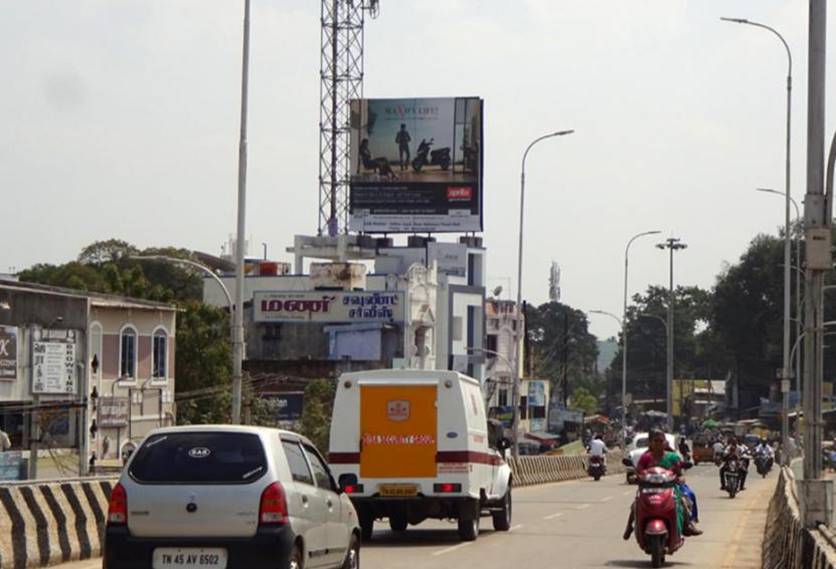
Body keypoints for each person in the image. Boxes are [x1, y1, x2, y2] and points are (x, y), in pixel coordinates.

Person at [623, 429, 702, 540]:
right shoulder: (646, 457)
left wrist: (680, 478)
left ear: (665, 442)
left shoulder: (672, 457)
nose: (658, 443)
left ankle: (688, 525)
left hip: (669, 488)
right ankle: (629, 528)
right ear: (651, 443)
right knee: (636, 504)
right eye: (656, 441)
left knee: (683, 501)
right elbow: (639, 471)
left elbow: (679, 473)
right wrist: (635, 477)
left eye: (661, 441)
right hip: (649, 489)